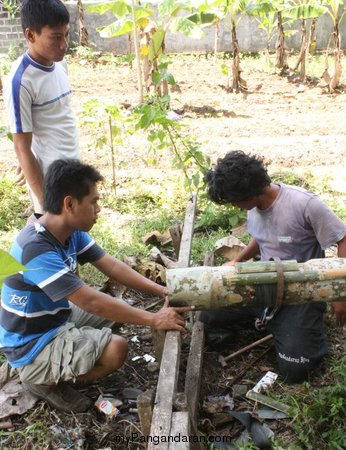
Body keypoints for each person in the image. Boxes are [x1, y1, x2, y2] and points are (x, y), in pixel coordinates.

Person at [0, 159, 194, 412]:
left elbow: (111, 266)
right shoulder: (35, 248)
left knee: (120, 311)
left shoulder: (68, 230)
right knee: (116, 349)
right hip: (31, 343)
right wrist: (154, 319)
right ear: (69, 204)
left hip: (55, 317)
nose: (99, 208)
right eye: (93, 201)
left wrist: (162, 291)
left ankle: (57, 364)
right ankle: (40, 380)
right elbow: (91, 302)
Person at [201, 151, 346, 383]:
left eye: (234, 200)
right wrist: (237, 261)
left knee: (297, 368)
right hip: (263, 281)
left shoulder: (304, 204)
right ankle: (272, 321)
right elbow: (262, 238)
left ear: (249, 192)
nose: (235, 206)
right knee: (206, 310)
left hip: (300, 292)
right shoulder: (253, 208)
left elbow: (343, 238)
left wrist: (341, 294)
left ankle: (292, 326)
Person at [3, 0, 78, 215]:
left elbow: (58, 117)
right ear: (30, 35)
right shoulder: (20, 81)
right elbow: (21, 147)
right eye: (55, 37)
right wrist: (47, 205)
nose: (64, 44)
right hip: (51, 180)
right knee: (56, 241)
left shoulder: (60, 63)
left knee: (75, 238)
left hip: (73, 166)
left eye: (66, 34)